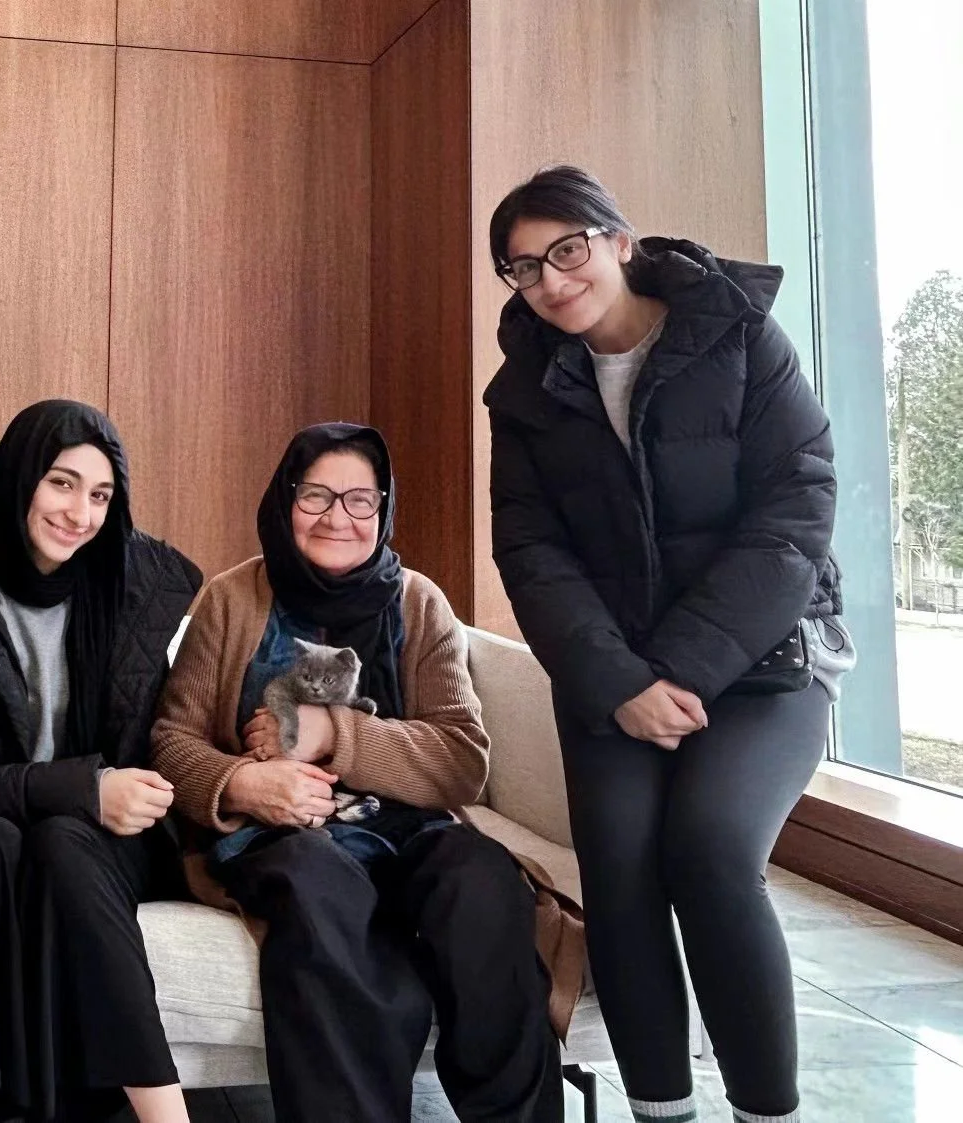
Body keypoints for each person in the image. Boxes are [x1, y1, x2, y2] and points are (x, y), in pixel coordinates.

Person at [484, 165, 855, 1123]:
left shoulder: (736, 333)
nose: (553, 280)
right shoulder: (521, 391)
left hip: (767, 661)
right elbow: (531, 551)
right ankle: (661, 1108)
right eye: (524, 268)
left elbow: (797, 506)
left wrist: (683, 668)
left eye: (567, 249)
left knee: (711, 847)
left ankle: (766, 1109)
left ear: (618, 239)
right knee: (619, 864)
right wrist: (619, 682)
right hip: (614, 677)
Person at [152, 423, 572, 1123]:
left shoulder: (419, 603)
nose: (337, 517)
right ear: (284, 500)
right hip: (280, 834)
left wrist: (334, 734)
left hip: (407, 828)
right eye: (316, 495)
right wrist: (240, 783)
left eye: (359, 500)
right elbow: (170, 739)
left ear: (383, 509)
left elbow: (464, 760)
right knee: (318, 894)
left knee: (481, 881)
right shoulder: (231, 599)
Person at [0, 400, 203, 1123]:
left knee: (60, 841)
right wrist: (82, 789)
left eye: (100, 494)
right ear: (20, 477)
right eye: (62, 483)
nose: (80, 513)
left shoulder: (130, 590)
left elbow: (147, 763)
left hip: (104, 842)